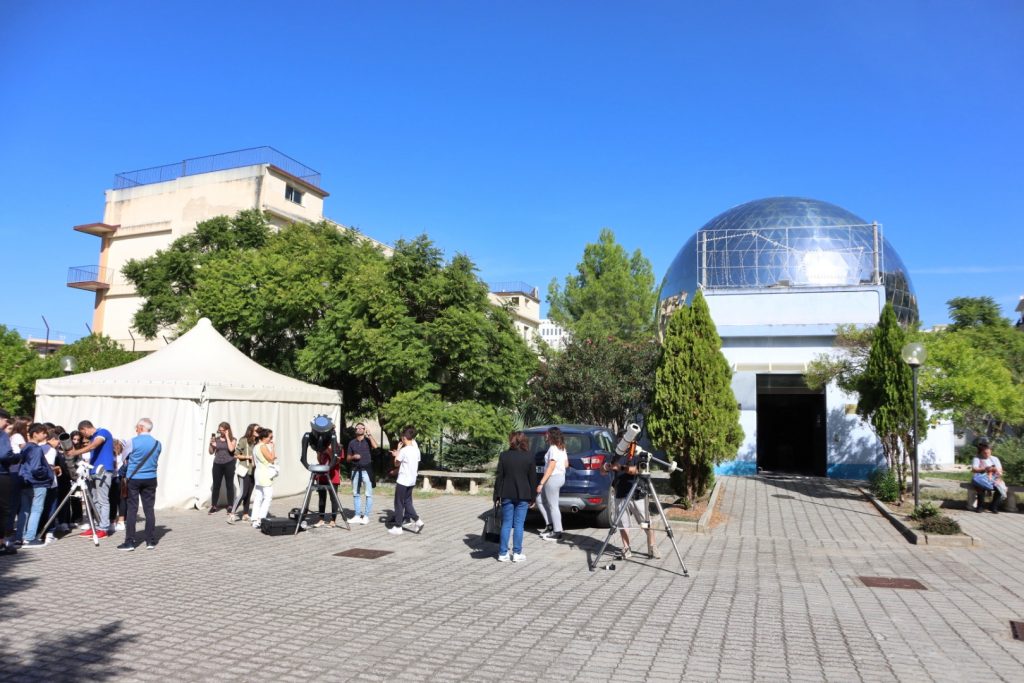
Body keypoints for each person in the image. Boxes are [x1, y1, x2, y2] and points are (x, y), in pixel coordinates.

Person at [602, 439, 660, 560]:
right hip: (620, 494)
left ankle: (652, 546)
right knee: (623, 524)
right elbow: (602, 471)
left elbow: (638, 470)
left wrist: (621, 467)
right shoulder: (615, 455)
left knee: (646, 522)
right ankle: (626, 548)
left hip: (636, 493)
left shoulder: (637, 453)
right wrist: (606, 467)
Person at [117, 418, 162, 551]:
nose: (136, 429)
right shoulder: (157, 443)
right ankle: (150, 541)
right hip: (151, 478)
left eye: (136, 427)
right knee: (149, 509)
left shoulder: (132, 441)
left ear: (141, 427)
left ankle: (130, 542)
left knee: (132, 509)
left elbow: (124, 458)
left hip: (134, 478)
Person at [66, 420, 116, 539]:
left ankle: (104, 528)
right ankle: (96, 526)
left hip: (103, 470)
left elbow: (94, 445)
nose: (84, 437)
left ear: (84, 429)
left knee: (103, 500)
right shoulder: (94, 437)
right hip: (93, 471)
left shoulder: (102, 432)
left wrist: (75, 452)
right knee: (94, 500)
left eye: (83, 434)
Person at [493, 431, 538, 562]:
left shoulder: (504, 456)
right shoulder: (529, 456)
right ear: (524, 442)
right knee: (519, 524)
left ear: (511, 441)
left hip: (506, 493)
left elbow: (499, 477)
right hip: (523, 494)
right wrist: (533, 497)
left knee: (506, 523)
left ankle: (503, 553)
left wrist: (496, 495)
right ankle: (517, 553)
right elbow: (533, 479)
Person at [16, 423, 55, 548]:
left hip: (25, 481)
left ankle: (19, 537)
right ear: (35, 434)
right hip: (38, 482)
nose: (45, 435)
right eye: (43, 433)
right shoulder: (36, 449)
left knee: (24, 510)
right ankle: (29, 538)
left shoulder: (25, 447)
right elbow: (36, 468)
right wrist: (47, 474)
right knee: (36, 510)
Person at [388, 426, 423, 535]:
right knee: (407, 501)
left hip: (403, 480)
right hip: (412, 480)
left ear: (404, 437)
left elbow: (396, 463)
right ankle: (418, 520)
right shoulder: (416, 450)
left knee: (398, 503)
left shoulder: (404, 450)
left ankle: (398, 527)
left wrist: (396, 453)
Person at [536, 427, 568, 542]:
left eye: (547, 434)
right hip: (560, 477)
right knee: (539, 500)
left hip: (552, 478)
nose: (545, 436)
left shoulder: (553, 448)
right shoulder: (561, 448)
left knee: (553, 506)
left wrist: (541, 483)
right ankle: (550, 526)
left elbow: (551, 467)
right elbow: (566, 464)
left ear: (551, 436)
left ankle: (557, 532)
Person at [228, 423, 259, 524]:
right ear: (251, 431)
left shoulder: (258, 442)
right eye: (256, 430)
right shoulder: (244, 440)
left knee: (249, 494)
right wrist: (247, 457)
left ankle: (245, 515)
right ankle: (232, 514)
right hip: (244, 470)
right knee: (243, 493)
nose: (258, 432)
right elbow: (236, 455)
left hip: (253, 471)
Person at [347, 422, 377, 524]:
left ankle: (366, 516)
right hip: (355, 470)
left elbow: (375, 446)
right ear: (355, 430)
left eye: (362, 428)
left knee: (368, 494)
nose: (359, 429)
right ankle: (357, 515)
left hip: (367, 470)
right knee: (356, 494)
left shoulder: (368, 440)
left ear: (364, 430)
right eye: (357, 428)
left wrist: (370, 434)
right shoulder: (352, 443)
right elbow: (347, 458)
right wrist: (353, 457)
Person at [0, 408, 20, 553]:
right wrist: (17, 457)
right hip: (1, 474)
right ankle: (1, 544)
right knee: (3, 510)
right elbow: (4, 455)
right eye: (6, 421)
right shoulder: (2, 435)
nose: (7, 425)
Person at [208, 422, 237, 514]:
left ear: (227, 430)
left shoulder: (233, 439)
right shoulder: (216, 439)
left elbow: (231, 449)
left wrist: (227, 436)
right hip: (217, 464)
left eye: (223, 430)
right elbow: (211, 452)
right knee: (216, 485)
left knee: (229, 485)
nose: (221, 432)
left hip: (229, 463)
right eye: (219, 430)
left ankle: (230, 506)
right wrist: (211, 444)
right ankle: (214, 506)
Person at [250, 428, 277, 529]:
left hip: (258, 473)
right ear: (264, 437)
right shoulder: (263, 446)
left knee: (258, 497)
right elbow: (271, 459)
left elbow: (254, 463)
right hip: (265, 474)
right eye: (270, 437)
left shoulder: (256, 446)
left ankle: (254, 519)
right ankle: (261, 519)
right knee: (267, 497)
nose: (271, 439)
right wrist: (273, 448)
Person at [971, 437, 1006, 513]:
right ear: (981, 452)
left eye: (988, 453)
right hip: (981, 478)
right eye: (985, 453)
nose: (987, 454)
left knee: (999, 489)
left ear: (991, 451)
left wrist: (998, 476)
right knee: (980, 488)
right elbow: (974, 469)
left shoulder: (995, 459)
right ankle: (980, 506)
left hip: (994, 477)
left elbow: (999, 470)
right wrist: (985, 469)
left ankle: (993, 506)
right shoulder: (977, 458)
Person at [314, 443, 342, 527]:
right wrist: (319, 453)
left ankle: (333, 520)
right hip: (322, 476)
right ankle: (321, 519)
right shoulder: (322, 445)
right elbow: (320, 461)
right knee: (321, 498)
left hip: (333, 477)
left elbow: (336, 461)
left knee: (333, 499)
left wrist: (328, 450)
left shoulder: (338, 446)